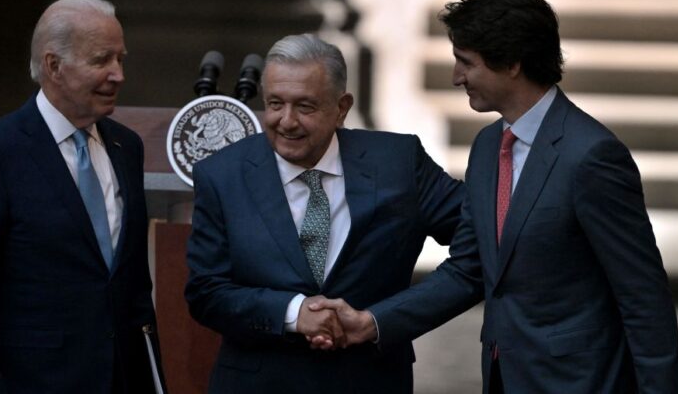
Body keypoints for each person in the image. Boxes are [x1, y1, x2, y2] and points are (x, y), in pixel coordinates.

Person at [312, 0, 678, 393]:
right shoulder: (489, 146)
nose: (457, 77)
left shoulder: (592, 157)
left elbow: (643, 297)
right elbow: (469, 267)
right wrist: (373, 322)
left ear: (511, 63)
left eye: (466, 63)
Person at [184, 33, 472, 393]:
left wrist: (381, 320)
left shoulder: (398, 163)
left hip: (371, 380)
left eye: (305, 107)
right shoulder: (222, 174)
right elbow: (206, 292)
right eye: (275, 103)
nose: (286, 122)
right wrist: (293, 313)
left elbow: (482, 245)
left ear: (342, 107)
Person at [0, 0, 161, 393]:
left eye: (120, 59)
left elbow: (133, 290)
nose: (118, 75)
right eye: (101, 61)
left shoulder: (127, 147)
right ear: (54, 66)